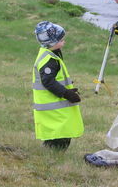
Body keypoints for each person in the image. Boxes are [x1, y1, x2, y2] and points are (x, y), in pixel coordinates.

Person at [32, 21, 84, 151]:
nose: (64, 41)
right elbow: (48, 81)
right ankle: (53, 155)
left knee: (59, 134)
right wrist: (67, 93)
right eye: (61, 40)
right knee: (60, 136)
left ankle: (51, 154)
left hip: (56, 106)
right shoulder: (49, 60)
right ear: (52, 43)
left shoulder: (49, 53)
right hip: (54, 108)